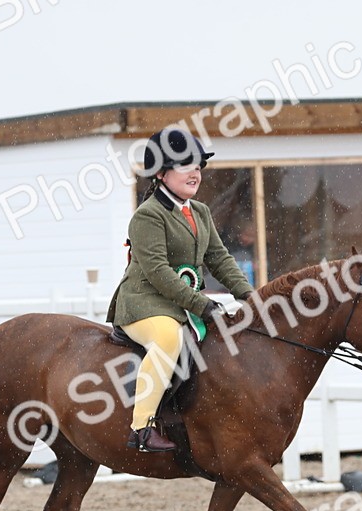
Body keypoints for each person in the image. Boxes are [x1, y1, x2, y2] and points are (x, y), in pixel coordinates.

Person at [106, 127, 255, 453]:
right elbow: (159, 273)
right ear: (161, 173)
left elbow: (219, 258)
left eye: (198, 166)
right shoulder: (147, 216)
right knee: (168, 339)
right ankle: (141, 428)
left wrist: (249, 295)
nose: (195, 173)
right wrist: (202, 304)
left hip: (182, 303)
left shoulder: (199, 211)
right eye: (186, 165)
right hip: (144, 303)